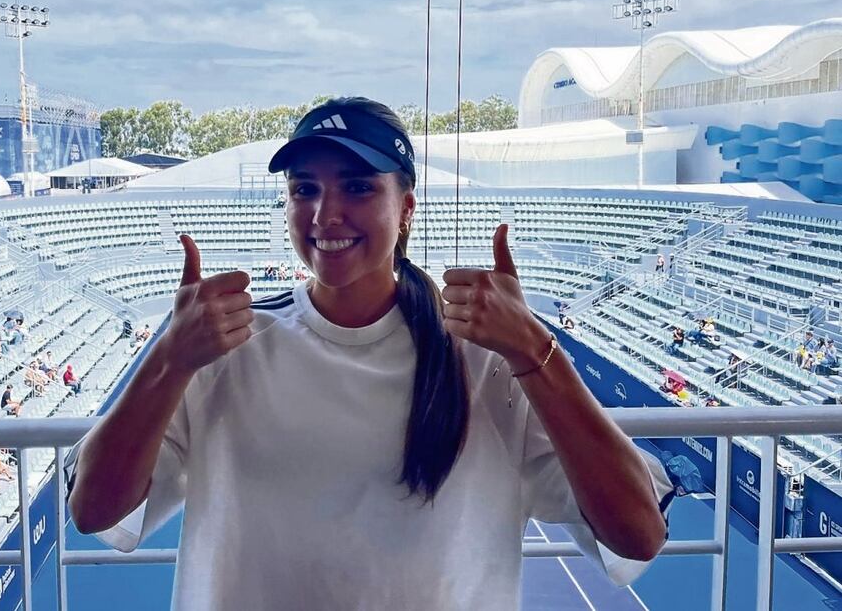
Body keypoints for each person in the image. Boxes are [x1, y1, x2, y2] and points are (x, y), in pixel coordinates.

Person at [66, 98, 670, 609]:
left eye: (357, 187)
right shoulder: (224, 349)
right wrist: (170, 359)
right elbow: (94, 510)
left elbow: (638, 534)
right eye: (305, 189)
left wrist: (537, 349)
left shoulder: (491, 360)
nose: (326, 214)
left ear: (406, 207)